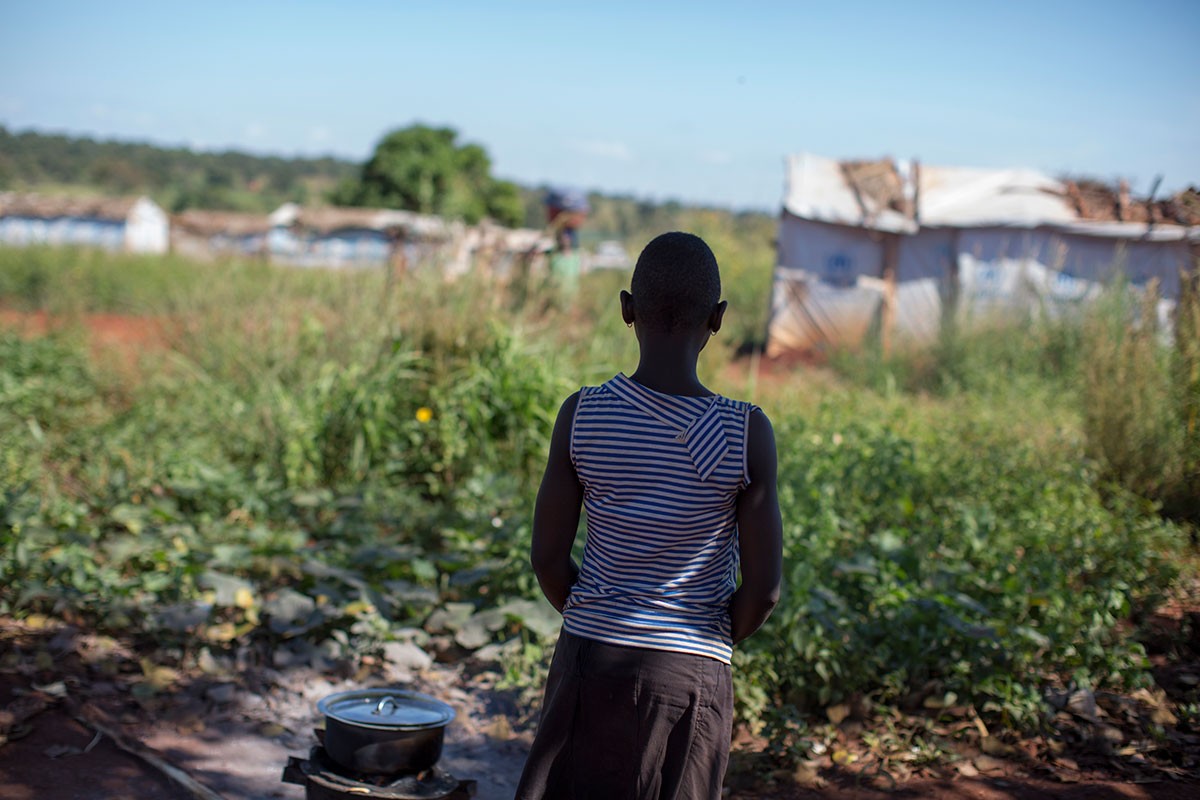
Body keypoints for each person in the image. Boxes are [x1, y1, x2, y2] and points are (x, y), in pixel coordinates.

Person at [515, 232, 784, 800]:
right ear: (717, 318)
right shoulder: (744, 432)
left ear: (626, 309)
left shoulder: (583, 415)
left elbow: (546, 557)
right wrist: (698, 636)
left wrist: (602, 613)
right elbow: (764, 590)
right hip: (690, 672)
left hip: (590, 655)